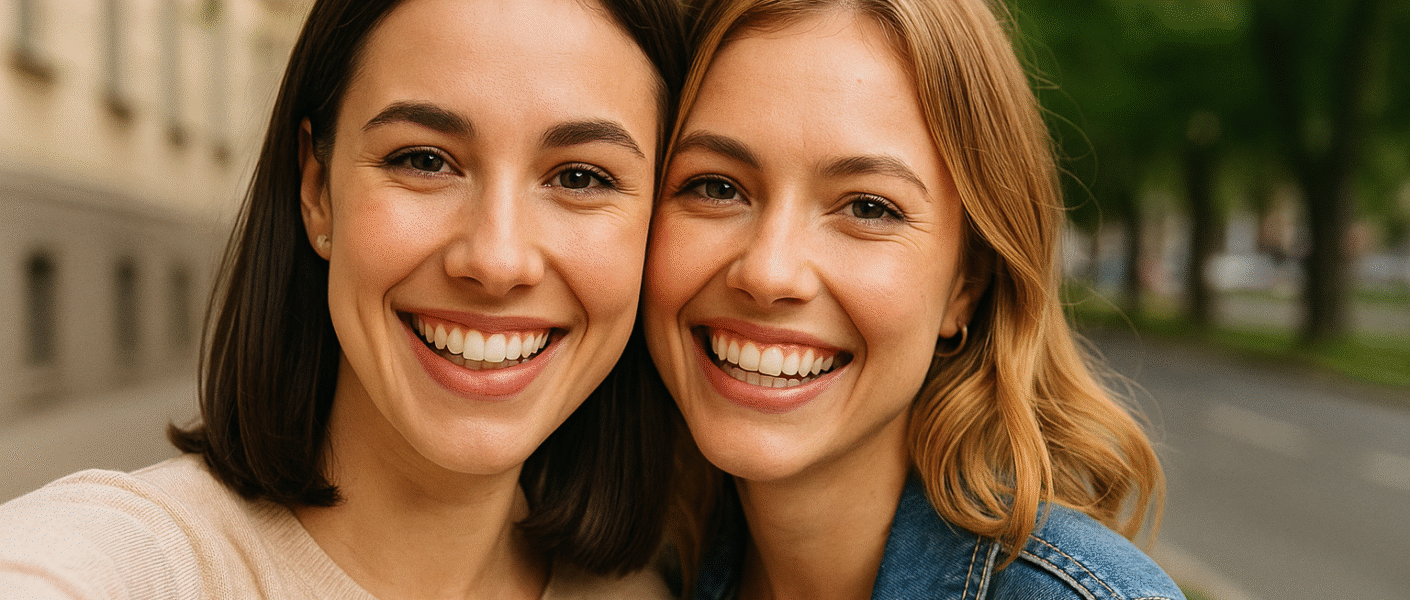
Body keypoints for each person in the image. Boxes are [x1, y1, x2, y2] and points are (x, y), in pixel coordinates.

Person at [0, 0, 684, 597]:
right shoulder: (126, 563)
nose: (496, 259)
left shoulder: (642, 593)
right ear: (317, 191)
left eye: (581, 176)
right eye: (423, 159)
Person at [644, 0, 1184, 598]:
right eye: (716, 187)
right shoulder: (642, 576)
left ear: (966, 286)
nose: (769, 273)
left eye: (868, 207)